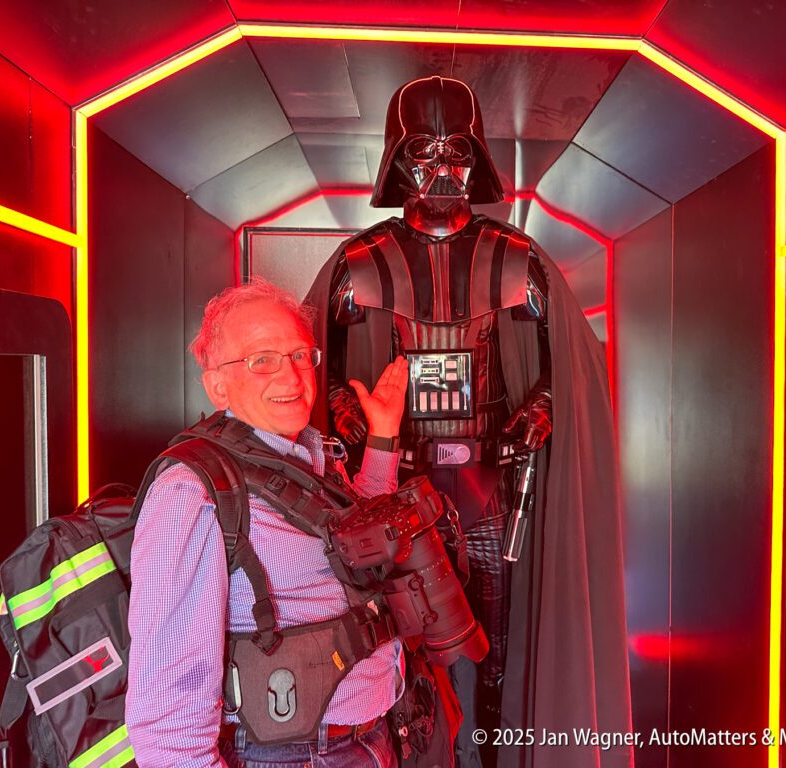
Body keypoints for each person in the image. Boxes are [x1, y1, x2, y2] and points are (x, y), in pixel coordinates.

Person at [307, 76, 633, 767]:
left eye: (457, 151)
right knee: (398, 647)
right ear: (399, 161)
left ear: (477, 157)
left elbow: (564, 378)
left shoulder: (520, 263)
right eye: (425, 152)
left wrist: (538, 415)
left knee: (491, 650)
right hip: (392, 494)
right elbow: (321, 376)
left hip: (488, 492)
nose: (444, 170)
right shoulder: (357, 270)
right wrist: (349, 414)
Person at [126, 277, 410, 767]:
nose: (293, 378)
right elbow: (167, 723)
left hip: (368, 739)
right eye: (262, 361)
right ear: (217, 384)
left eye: (301, 355)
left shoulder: (310, 454)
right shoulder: (191, 492)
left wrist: (382, 438)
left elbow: (357, 550)